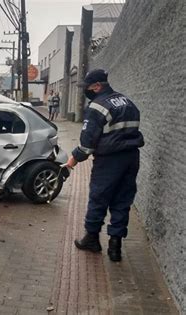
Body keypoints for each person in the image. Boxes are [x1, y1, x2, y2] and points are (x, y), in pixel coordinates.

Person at [66, 69, 144, 262]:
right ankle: (115, 247)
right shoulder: (128, 102)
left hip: (109, 160)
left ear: (97, 86)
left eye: (88, 88)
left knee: (99, 197)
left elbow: (87, 142)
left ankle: (92, 239)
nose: (86, 91)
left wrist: (74, 159)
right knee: (122, 200)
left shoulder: (97, 107)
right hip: (131, 157)